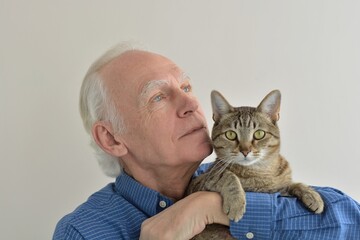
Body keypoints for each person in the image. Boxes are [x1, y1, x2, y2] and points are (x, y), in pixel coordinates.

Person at [53, 42, 360, 240]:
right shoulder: (83, 232)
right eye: (158, 96)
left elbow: (350, 220)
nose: (191, 104)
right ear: (111, 138)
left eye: (186, 86)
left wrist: (212, 207)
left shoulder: (234, 178)